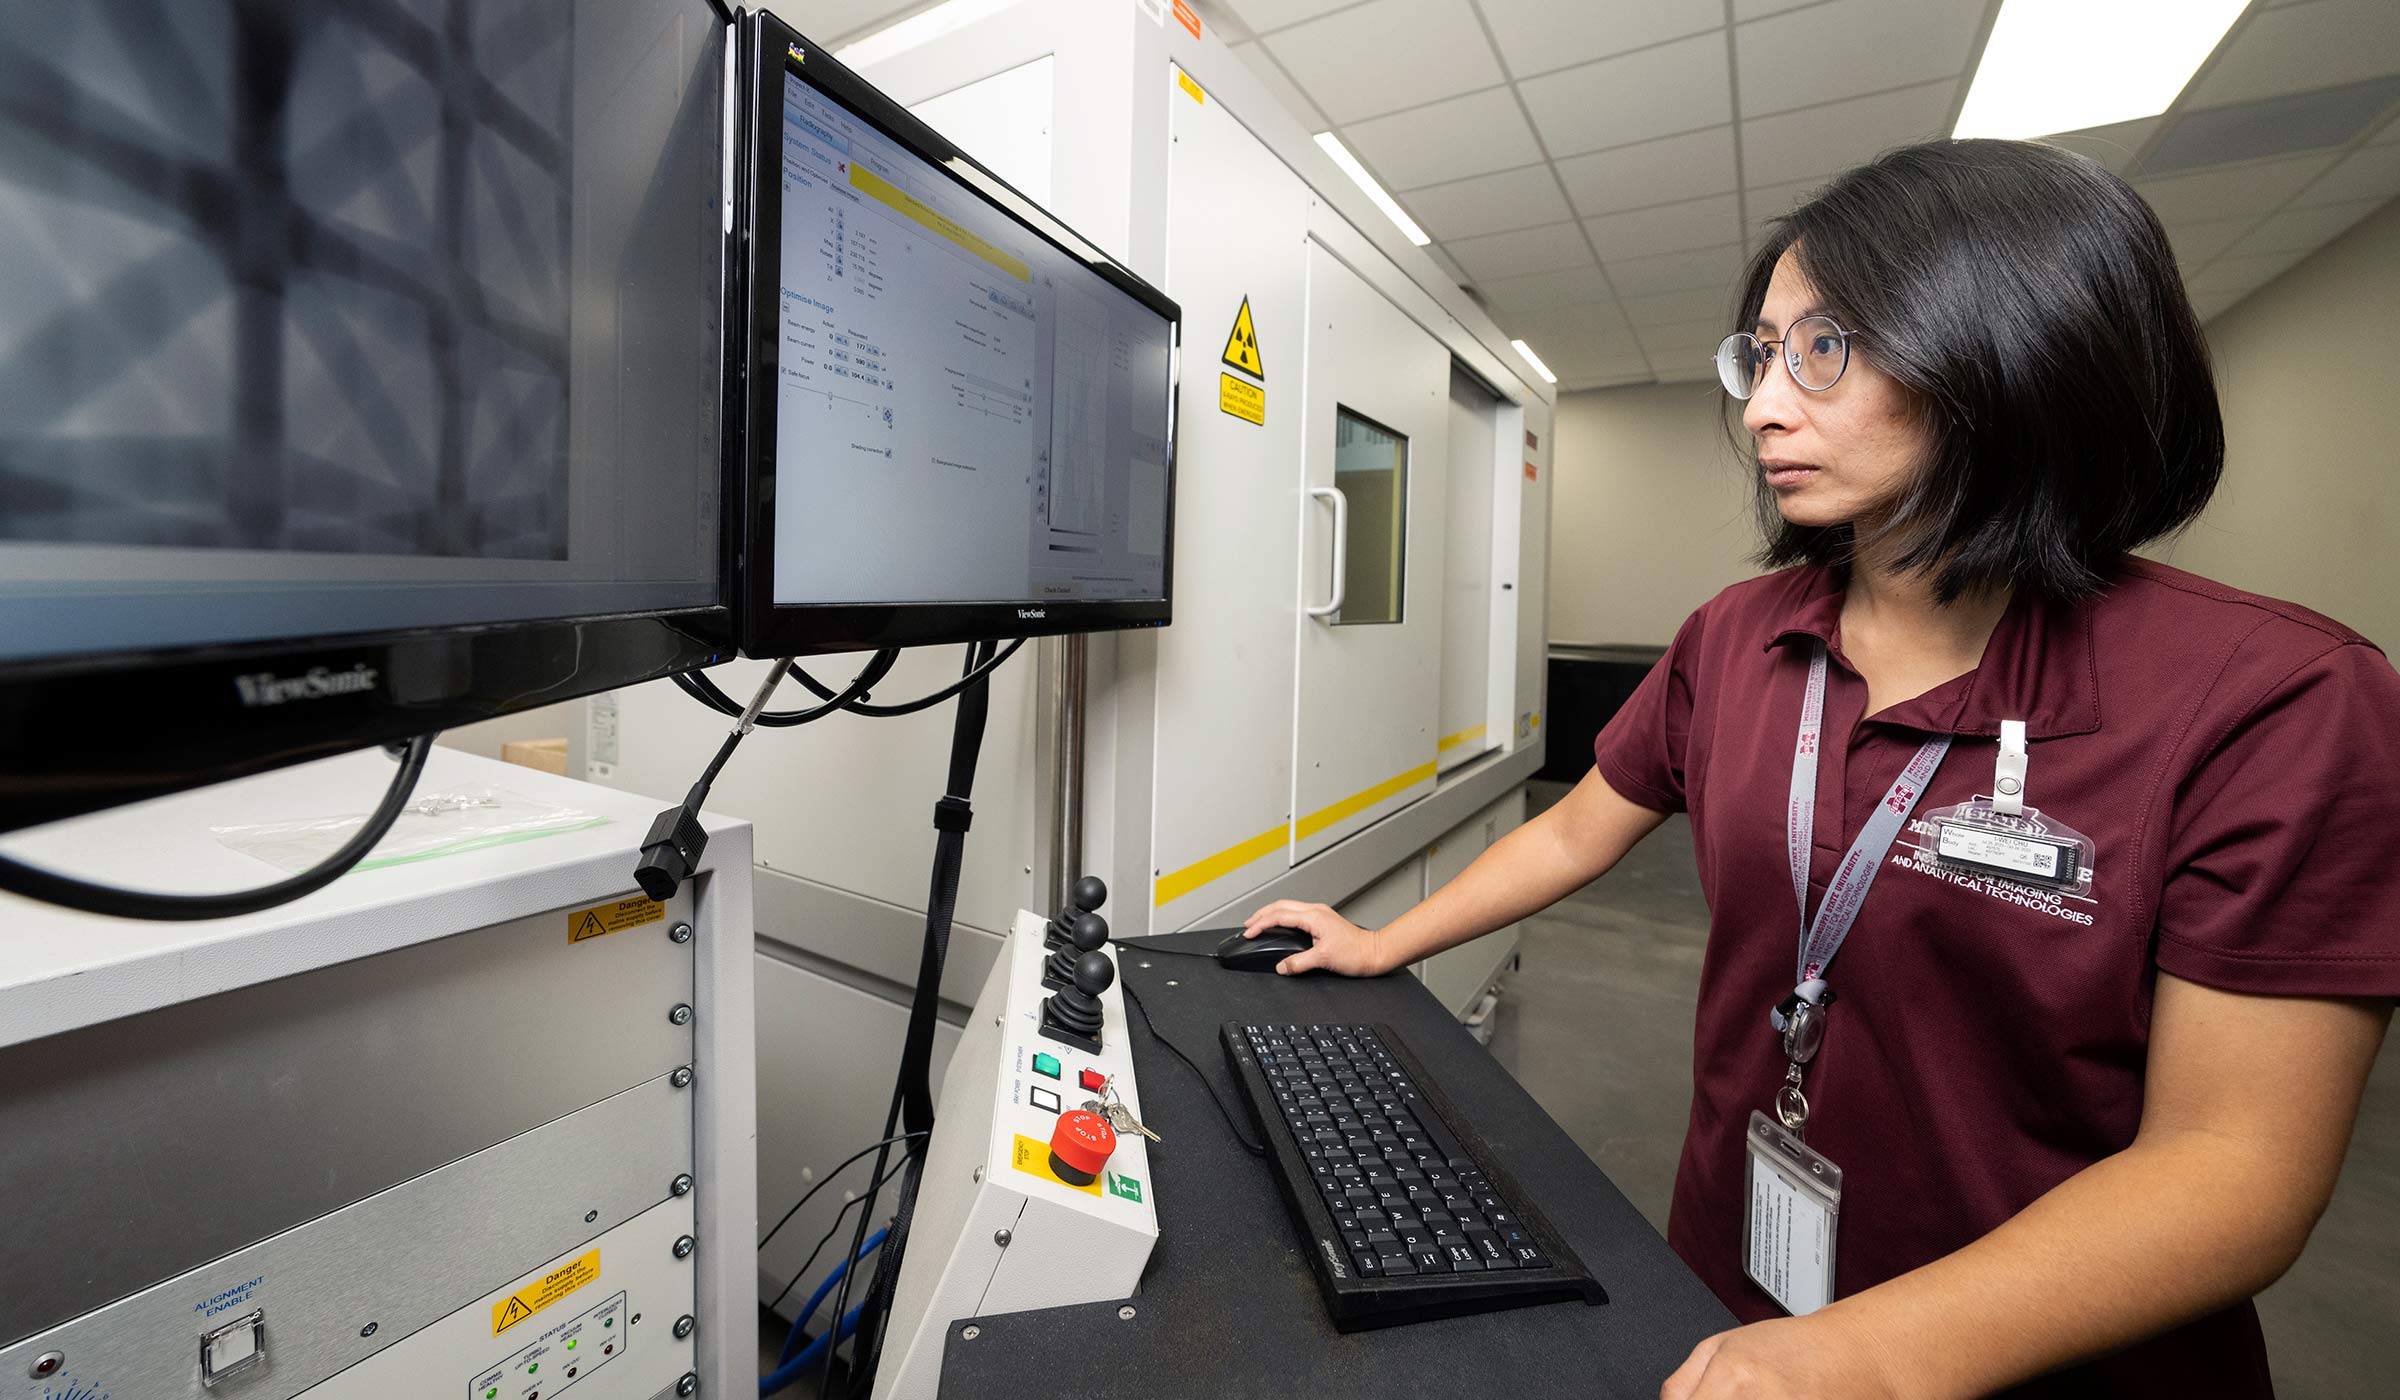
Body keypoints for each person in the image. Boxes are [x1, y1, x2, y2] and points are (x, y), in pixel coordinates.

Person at [1241, 139, 2400, 1399]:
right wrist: (1384, 938)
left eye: (1826, 349)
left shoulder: (2274, 699)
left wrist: (1871, 1354)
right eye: (1763, 353)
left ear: (2010, 348)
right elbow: (1579, 827)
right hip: (1742, 1285)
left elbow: (2234, 1168)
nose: (1761, 406)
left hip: (2039, 1349)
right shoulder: (1738, 638)